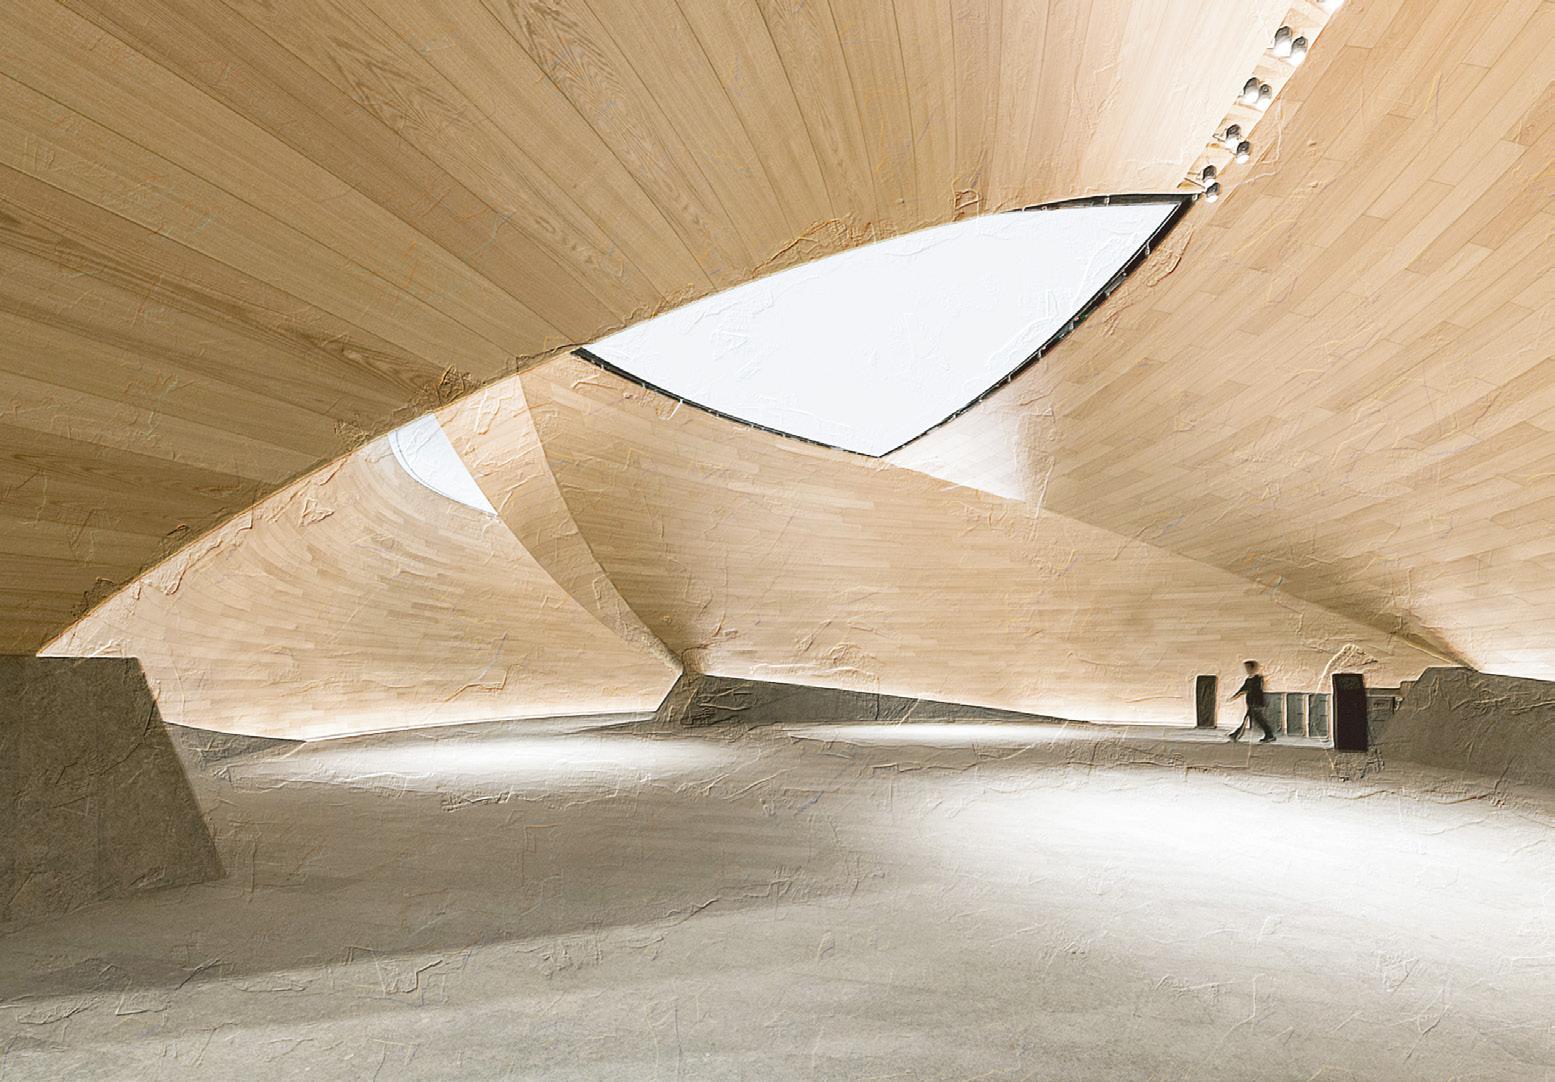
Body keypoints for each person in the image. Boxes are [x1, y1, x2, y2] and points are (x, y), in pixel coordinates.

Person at [1227, 660, 1276, 743]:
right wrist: (1233, 697)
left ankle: (1269, 735)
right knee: (1250, 718)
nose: (1246, 670)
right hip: (1250, 703)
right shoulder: (1248, 679)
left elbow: (1257, 690)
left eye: (1247, 667)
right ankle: (1235, 735)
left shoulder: (1258, 678)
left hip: (1255, 703)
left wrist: (1253, 697)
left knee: (1259, 719)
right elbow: (1242, 689)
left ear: (1252, 668)